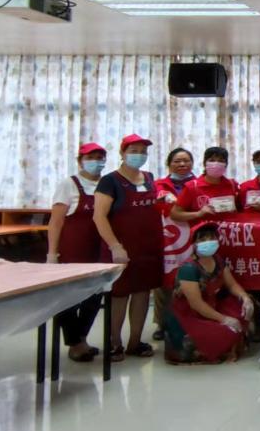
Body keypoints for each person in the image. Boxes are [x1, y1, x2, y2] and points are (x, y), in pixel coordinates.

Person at [93, 134, 163, 361]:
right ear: (122, 153)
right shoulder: (110, 181)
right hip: (121, 249)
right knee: (119, 295)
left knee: (142, 293)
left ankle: (135, 341)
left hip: (148, 248)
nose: (139, 155)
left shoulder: (149, 178)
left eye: (143, 152)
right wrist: (115, 246)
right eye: (134, 151)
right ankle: (114, 342)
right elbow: (99, 217)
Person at [46, 142, 106, 362]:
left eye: (100, 157)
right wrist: (52, 254)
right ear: (80, 161)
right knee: (68, 299)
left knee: (95, 296)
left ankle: (81, 339)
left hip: (98, 251)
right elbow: (56, 222)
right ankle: (75, 343)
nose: (95, 161)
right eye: (90, 157)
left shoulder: (107, 184)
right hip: (72, 251)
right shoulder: (68, 185)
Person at [163, 223, 255, 364]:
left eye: (211, 238)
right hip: (190, 315)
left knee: (244, 312)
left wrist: (245, 297)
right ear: (194, 244)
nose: (208, 242)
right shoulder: (188, 268)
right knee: (227, 332)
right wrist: (224, 319)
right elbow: (196, 304)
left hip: (212, 305)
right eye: (202, 239)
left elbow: (232, 284)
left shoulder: (218, 260)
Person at [151, 147, 193, 342]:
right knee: (164, 284)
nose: (182, 164)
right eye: (177, 161)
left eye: (186, 161)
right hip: (166, 239)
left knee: (190, 282)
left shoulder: (197, 184)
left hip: (191, 238)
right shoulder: (158, 185)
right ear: (169, 164)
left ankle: (188, 321)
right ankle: (162, 323)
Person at [171, 146, 241, 223]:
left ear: (226, 165)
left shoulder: (232, 185)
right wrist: (198, 214)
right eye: (212, 160)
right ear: (204, 163)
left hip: (229, 228)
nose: (216, 164)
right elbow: (175, 214)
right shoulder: (192, 187)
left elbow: (240, 209)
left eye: (221, 161)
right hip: (204, 229)